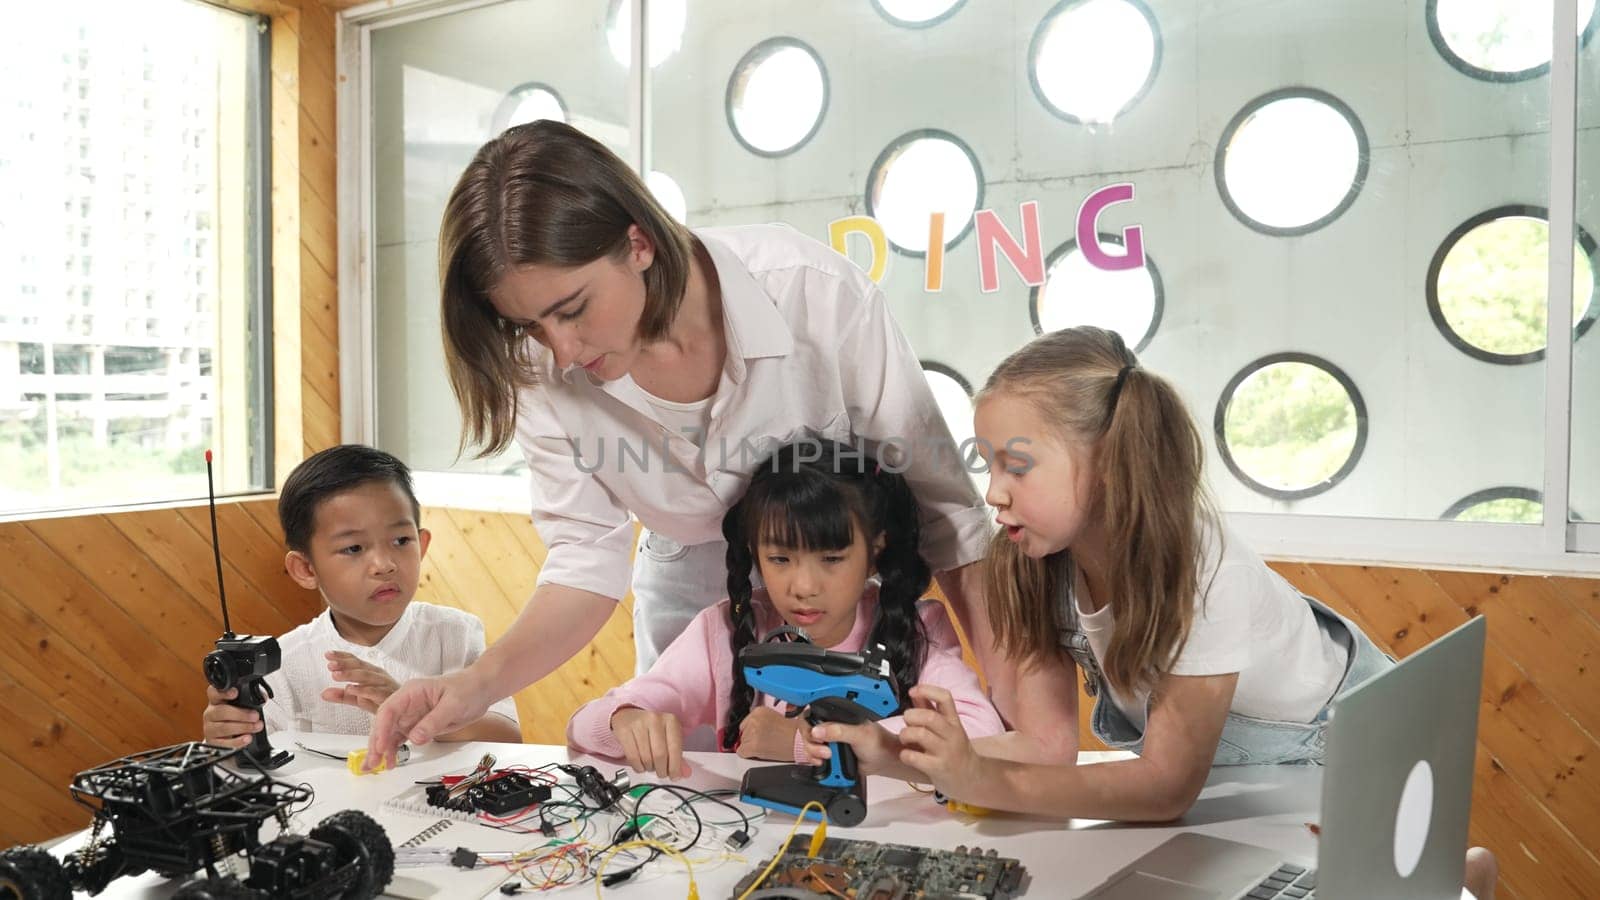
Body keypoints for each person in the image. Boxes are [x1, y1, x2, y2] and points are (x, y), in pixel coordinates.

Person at [366, 119, 990, 767]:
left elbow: (947, 517)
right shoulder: (542, 365)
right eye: (528, 324)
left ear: (637, 243)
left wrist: (1031, 731)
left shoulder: (810, 291)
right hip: (692, 596)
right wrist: (474, 685)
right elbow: (584, 560)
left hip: (850, 603)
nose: (562, 351)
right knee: (698, 787)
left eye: (573, 309)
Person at [814, 327, 1500, 898]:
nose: (993, 493)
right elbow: (1044, 746)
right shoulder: (1032, 561)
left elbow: (1166, 787)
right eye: (986, 465)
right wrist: (893, 754)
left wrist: (973, 777)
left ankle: (1459, 875)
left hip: (1325, 750)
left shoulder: (1207, 573)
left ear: (1109, 460)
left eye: (1016, 466)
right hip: (1219, 776)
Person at [565, 440, 1002, 778]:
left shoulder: (916, 629)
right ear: (755, 553)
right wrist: (626, 719)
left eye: (831, 559)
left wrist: (808, 742)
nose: (804, 587)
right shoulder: (724, 630)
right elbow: (583, 728)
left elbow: (982, 735)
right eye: (779, 560)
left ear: (874, 551)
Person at [201, 445, 520, 744]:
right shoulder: (283, 663)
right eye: (353, 548)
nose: (384, 565)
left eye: (400, 541)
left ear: (422, 545)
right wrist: (229, 740)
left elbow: (508, 738)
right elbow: (250, 771)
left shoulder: (455, 634)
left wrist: (414, 713)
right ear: (306, 569)